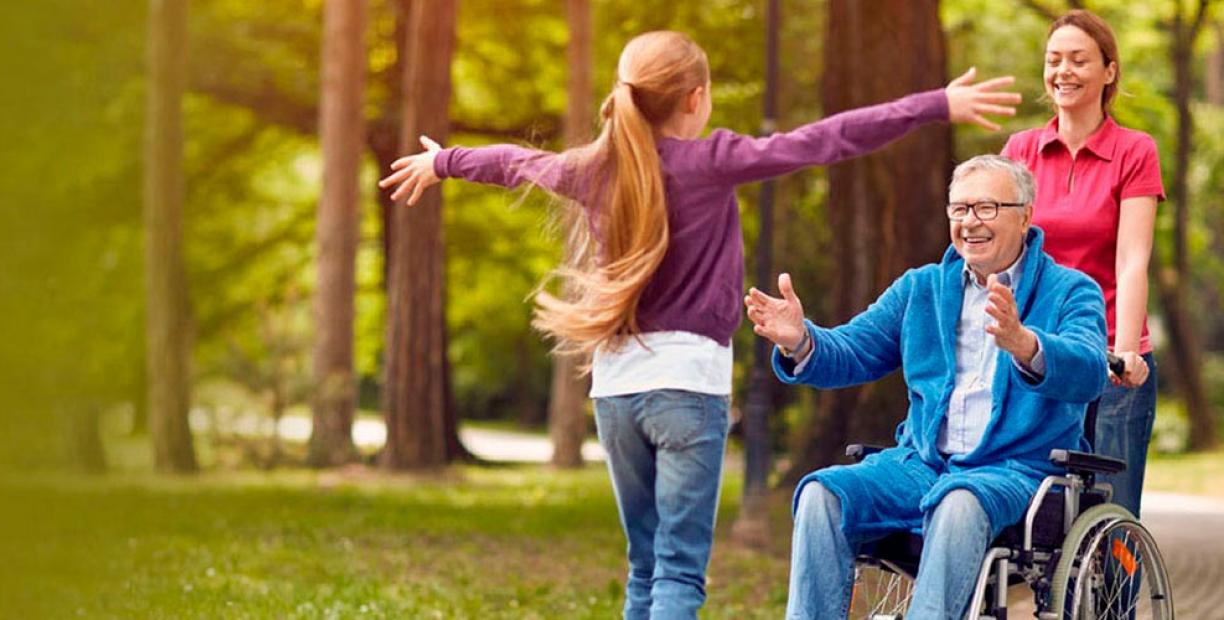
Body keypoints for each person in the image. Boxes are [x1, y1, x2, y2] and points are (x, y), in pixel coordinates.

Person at [378, 31, 1021, 619]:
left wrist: (445, 162)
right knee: (679, 574)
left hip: (616, 392)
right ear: (695, 98)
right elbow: (827, 138)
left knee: (645, 567)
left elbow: (516, 163)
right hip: (687, 389)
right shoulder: (710, 161)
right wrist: (935, 104)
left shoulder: (595, 168)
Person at [746, 155, 1107, 618]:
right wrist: (800, 340)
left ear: (1026, 215)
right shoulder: (922, 288)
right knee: (822, 494)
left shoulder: (1070, 290)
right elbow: (853, 350)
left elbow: (1091, 370)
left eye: (986, 208)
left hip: (1016, 471)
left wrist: (1025, 344)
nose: (969, 222)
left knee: (958, 501)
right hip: (922, 464)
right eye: (959, 209)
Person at [1000, 9, 1165, 518]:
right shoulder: (1020, 149)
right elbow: (1001, 256)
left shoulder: (1134, 151)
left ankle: (1115, 599)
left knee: (1110, 509)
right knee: (1032, 507)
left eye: (1079, 60)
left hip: (1112, 354)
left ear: (1109, 71)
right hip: (1040, 351)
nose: (1063, 71)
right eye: (1054, 61)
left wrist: (1124, 351)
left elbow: (1133, 259)